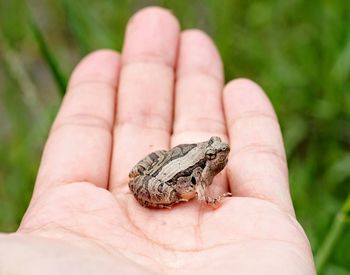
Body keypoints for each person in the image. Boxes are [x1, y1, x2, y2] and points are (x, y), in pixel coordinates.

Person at [0, 7, 316, 275]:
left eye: (216, 150)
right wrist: (212, 200)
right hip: (165, 179)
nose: (218, 155)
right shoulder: (203, 167)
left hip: (170, 163)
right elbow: (204, 197)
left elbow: (189, 165)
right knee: (169, 187)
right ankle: (151, 190)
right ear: (208, 156)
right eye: (214, 153)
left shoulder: (203, 158)